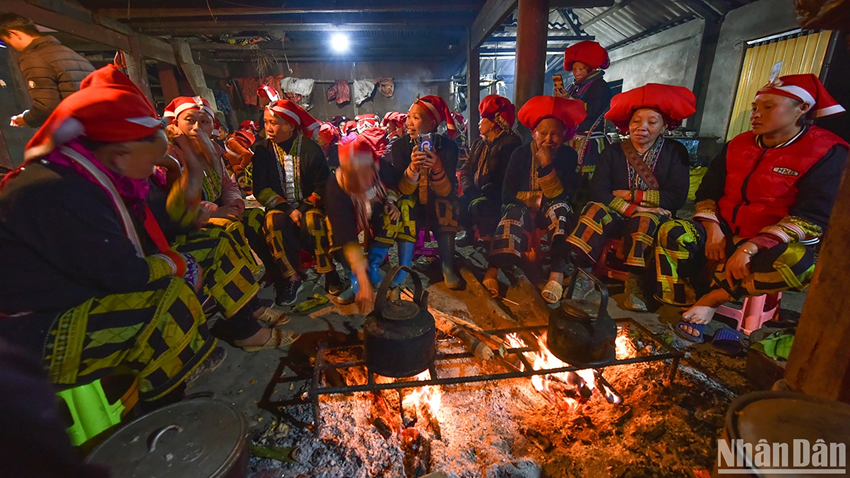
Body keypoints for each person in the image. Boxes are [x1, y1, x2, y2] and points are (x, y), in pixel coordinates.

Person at [0, 65, 217, 408]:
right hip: (27, 330)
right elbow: (123, 274)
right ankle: (159, 412)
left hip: (72, 296)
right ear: (120, 155)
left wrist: (193, 170)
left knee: (186, 272)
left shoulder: (107, 177)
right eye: (150, 163)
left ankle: (170, 389)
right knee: (167, 300)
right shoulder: (56, 190)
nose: (154, 170)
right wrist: (175, 264)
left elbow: (173, 221)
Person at [655, 74, 848, 342]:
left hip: (769, 242)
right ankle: (685, 299)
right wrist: (713, 229)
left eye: (768, 107)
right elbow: (708, 192)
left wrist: (751, 246)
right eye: (755, 107)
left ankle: (712, 299)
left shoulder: (826, 151)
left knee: (799, 264)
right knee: (672, 230)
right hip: (723, 230)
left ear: (802, 109)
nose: (756, 115)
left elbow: (812, 217)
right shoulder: (738, 144)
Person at [161, 96, 295, 350]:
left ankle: (256, 300)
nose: (197, 127)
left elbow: (227, 184)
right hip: (185, 229)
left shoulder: (211, 149)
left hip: (217, 213)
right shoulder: (169, 155)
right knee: (228, 233)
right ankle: (245, 325)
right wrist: (214, 212)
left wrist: (233, 206)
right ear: (175, 123)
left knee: (257, 219)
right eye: (190, 120)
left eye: (204, 121)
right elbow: (169, 204)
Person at [566, 83, 695, 311]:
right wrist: (636, 207)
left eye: (652, 122)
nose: (641, 127)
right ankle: (584, 274)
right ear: (628, 124)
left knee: (645, 222)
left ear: (664, 126)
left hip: (654, 219)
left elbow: (676, 198)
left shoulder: (675, 152)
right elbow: (599, 191)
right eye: (636, 121)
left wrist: (630, 195)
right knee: (593, 209)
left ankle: (635, 282)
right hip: (618, 213)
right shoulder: (613, 152)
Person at [483, 95, 585, 303]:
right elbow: (507, 194)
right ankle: (492, 271)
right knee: (511, 211)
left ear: (565, 135)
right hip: (520, 207)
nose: (549, 140)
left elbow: (563, 194)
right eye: (543, 133)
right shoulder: (520, 154)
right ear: (533, 133)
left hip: (550, 209)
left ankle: (556, 274)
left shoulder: (568, 156)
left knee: (561, 210)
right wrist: (533, 202)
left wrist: (546, 166)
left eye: (555, 134)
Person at [248, 99, 343, 306]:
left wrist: (302, 207)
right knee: (273, 223)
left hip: (309, 205)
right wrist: (288, 209)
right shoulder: (262, 151)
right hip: (280, 206)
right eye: (265, 122)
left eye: (273, 122)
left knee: (315, 222)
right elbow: (261, 189)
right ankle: (291, 277)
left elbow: (322, 185)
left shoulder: (311, 149)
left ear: (291, 125)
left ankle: (329, 272)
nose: (268, 128)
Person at [369, 95, 465, 290]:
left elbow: (447, 191)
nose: (408, 122)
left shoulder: (448, 147)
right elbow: (402, 189)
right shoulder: (400, 146)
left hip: (438, 200)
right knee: (404, 207)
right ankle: (404, 268)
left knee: (446, 206)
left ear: (432, 123)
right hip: (412, 200)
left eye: (416, 118)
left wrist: (437, 167)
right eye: (409, 117)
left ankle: (447, 266)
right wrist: (412, 169)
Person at [326, 136, 397, 310]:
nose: (359, 181)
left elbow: (397, 184)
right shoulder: (335, 189)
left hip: (376, 211)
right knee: (330, 234)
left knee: (394, 219)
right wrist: (361, 278)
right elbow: (346, 235)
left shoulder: (383, 169)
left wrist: (391, 201)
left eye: (363, 174)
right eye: (352, 174)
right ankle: (355, 280)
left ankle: (373, 268)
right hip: (350, 218)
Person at [0, 13, 95, 128]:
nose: (11, 46)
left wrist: (26, 119)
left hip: (80, 130)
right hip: (99, 125)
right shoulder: (68, 52)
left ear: (14, 33)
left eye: (7, 42)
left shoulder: (33, 57)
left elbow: (46, 107)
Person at [459, 94, 522, 245]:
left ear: (495, 122)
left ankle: (490, 241)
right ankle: (470, 232)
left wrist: (482, 193)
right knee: (458, 202)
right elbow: (466, 169)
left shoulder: (510, 144)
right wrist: (468, 189)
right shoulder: (478, 144)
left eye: (483, 119)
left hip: (496, 196)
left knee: (481, 206)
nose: (479, 123)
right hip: (476, 192)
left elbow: (502, 177)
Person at [561, 40, 613, 201]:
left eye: (581, 68)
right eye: (574, 69)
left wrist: (569, 100)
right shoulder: (574, 87)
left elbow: (592, 110)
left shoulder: (599, 86)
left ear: (590, 69)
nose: (577, 72)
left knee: (588, 178)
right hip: (573, 138)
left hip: (590, 140)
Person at [223, 122, 257, 195]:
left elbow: (246, 154)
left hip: (241, 172)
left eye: (219, 132)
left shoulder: (231, 142)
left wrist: (241, 166)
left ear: (226, 132)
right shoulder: (229, 141)